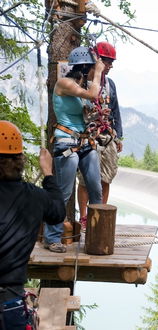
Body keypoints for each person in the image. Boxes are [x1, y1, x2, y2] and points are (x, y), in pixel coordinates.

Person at [0, 120, 66, 330]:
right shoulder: (35, 197)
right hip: (10, 306)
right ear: (20, 159)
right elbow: (57, 214)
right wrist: (48, 173)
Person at [44, 46, 105, 253]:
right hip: (66, 143)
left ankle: (98, 235)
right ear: (85, 67)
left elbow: (88, 103)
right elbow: (92, 94)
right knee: (64, 193)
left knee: (96, 189)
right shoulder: (64, 83)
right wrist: (98, 72)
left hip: (84, 143)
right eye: (90, 68)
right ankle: (52, 238)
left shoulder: (76, 89)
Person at [77, 41, 123, 228]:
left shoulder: (110, 84)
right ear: (97, 59)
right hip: (88, 135)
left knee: (106, 177)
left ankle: (100, 213)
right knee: (85, 179)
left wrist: (118, 136)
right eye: (108, 61)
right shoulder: (81, 80)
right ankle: (84, 216)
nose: (111, 65)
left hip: (107, 135)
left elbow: (115, 110)